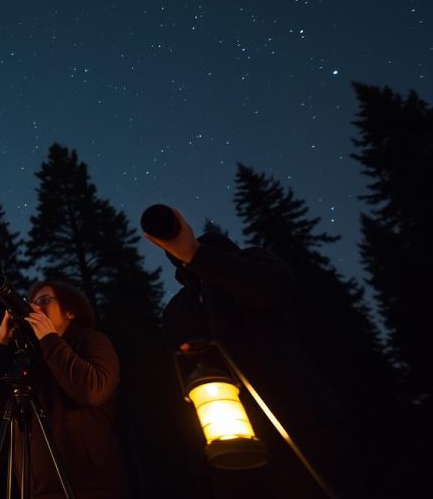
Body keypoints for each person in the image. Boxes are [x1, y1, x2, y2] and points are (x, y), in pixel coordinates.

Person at [145, 207, 364, 499]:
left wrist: (197, 254)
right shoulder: (176, 310)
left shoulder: (253, 263)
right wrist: (198, 464)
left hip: (299, 422)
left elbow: (269, 291)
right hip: (224, 445)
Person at [0, 280, 128, 499]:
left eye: (43, 301)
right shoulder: (33, 363)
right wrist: (0, 340)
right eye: (32, 303)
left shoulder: (91, 341)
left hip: (91, 490)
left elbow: (92, 390)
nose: (35, 307)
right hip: (36, 494)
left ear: (71, 312)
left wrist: (49, 338)